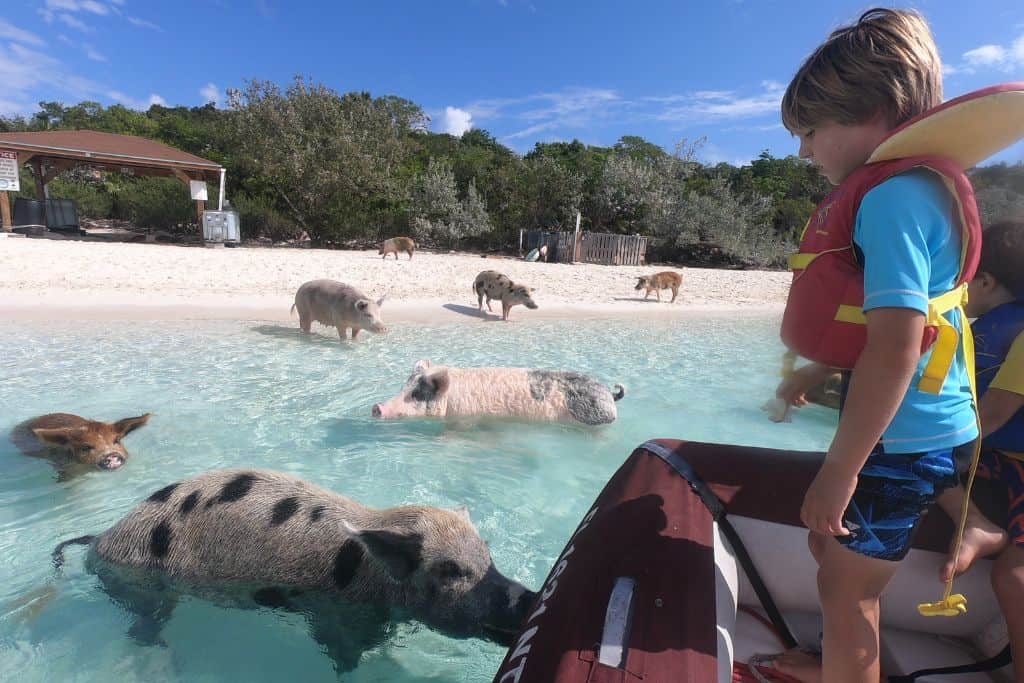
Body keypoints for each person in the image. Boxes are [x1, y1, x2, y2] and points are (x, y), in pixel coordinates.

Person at [768, 8, 982, 682]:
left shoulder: (891, 200)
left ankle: (847, 669)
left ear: (876, 112)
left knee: (848, 591)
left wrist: (841, 469)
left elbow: (895, 349)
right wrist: (818, 369)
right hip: (919, 425)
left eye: (811, 131)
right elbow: (887, 335)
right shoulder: (921, 191)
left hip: (904, 440)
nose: (804, 151)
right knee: (829, 549)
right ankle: (826, 659)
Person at [933, 221, 1023, 677]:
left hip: (1014, 458)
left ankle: (976, 524)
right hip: (1000, 457)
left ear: (985, 281)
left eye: (963, 277)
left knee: (1013, 577)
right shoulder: (981, 328)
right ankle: (974, 520)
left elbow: (990, 416)